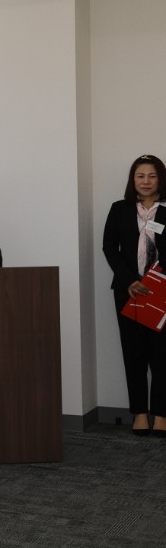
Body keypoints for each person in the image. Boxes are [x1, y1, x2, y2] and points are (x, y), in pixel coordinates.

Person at [101, 155, 166, 437]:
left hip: (163, 291)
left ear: (160, 179)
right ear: (133, 179)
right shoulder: (120, 209)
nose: (146, 181)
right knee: (133, 353)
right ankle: (139, 413)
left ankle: (161, 414)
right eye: (140, 176)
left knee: (162, 355)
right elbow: (109, 247)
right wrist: (130, 280)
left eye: (152, 176)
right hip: (128, 291)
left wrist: (157, 281)